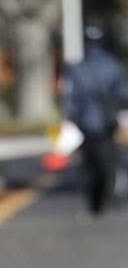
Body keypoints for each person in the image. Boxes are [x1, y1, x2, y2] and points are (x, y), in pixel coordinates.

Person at [63, 26, 128, 215]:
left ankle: (95, 197)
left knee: (89, 162)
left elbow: (70, 98)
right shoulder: (112, 65)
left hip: (85, 124)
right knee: (109, 159)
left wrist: (71, 117)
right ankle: (107, 191)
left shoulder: (76, 68)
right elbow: (122, 94)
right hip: (108, 121)